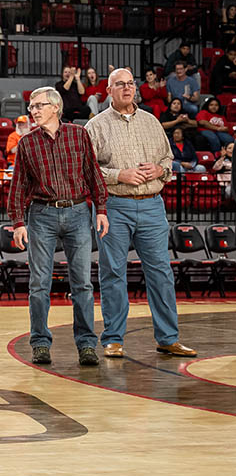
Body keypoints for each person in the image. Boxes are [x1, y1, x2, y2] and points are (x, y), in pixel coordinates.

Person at [86, 69, 197, 359]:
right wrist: (118, 174)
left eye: (130, 84)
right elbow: (87, 170)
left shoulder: (152, 122)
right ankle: (112, 339)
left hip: (152, 204)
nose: (127, 88)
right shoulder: (95, 126)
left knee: (161, 272)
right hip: (114, 206)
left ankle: (168, 338)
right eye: (120, 84)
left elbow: (167, 159)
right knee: (113, 273)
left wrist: (161, 169)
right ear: (108, 90)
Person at [7, 86, 109, 366]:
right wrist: (17, 222)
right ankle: (40, 342)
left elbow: (92, 172)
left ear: (55, 107)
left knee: (83, 285)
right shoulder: (27, 143)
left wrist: (101, 208)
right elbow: (18, 186)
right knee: (39, 284)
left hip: (78, 211)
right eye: (31, 107)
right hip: (41, 214)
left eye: (39, 106)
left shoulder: (79, 135)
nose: (33, 111)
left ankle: (87, 344)